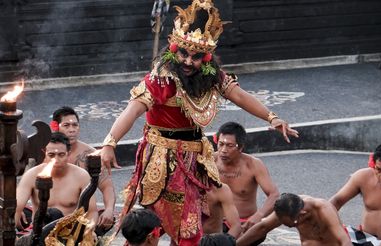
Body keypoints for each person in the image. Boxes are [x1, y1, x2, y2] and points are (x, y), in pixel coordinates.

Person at [100, 0, 298, 244]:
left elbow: (239, 95)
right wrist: (110, 143)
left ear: (206, 58)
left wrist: (272, 117)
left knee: (192, 221)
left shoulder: (211, 76)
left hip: (196, 158)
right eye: (183, 53)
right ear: (174, 49)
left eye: (196, 57)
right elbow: (131, 111)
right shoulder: (161, 80)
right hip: (163, 159)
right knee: (150, 224)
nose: (188, 62)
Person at [50, 106, 116, 233]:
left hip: (79, 220)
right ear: (55, 126)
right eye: (66, 125)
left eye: (75, 125)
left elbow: (107, 186)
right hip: (46, 217)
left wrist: (109, 209)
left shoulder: (90, 155)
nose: (72, 130)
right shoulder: (44, 151)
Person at [15, 132, 98, 230]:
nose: (56, 159)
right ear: (44, 153)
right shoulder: (31, 175)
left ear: (69, 153)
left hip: (70, 233)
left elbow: (92, 211)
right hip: (39, 233)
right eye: (51, 155)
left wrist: (89, 231)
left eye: (61, 155)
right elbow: (16, 206)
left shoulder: (81, 176)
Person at [215, 122, 280, 232]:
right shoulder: (209, 161)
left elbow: (274, 195)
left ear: (240, 147)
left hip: (244, 225)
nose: (223, 150)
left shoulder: (254, 165)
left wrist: (259, 216)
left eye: (230, 146)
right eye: (221, 144)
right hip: (215, 223)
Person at [236, 193, 352, 246]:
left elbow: (344, 241)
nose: (290, 227)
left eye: (292, 224)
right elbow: (263, 227)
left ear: (301, 214)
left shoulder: (324, 209)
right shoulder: (285, 209)